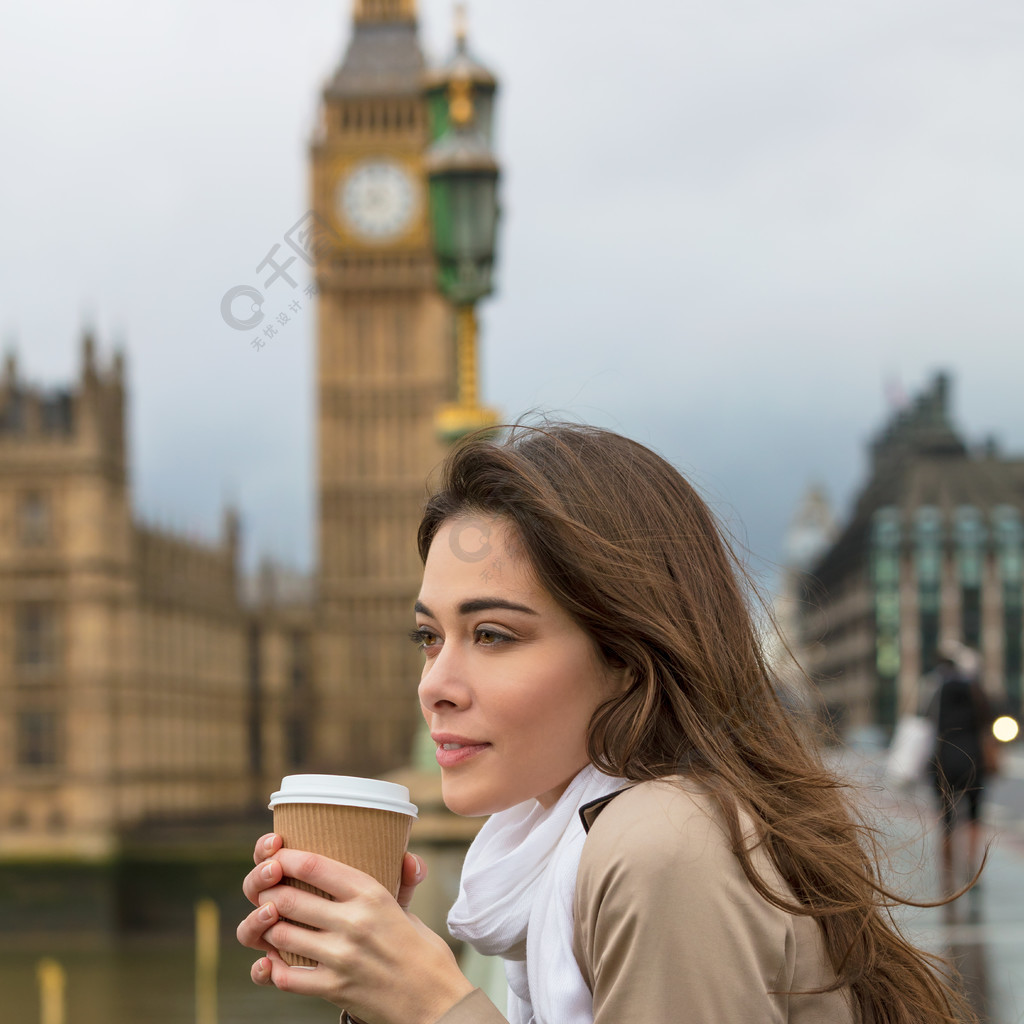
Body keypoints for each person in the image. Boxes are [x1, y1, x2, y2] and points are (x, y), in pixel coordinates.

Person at [237, 422, 975, 1024]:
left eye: (492, 635)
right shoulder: (582, 833)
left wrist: (436, 1006)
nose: (435, 684)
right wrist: (378, 986)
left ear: (628, 654)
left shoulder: (663, 845)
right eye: (429, 637)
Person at [927, 642, 996, 896]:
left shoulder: (936, 689)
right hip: (973, 759)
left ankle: (946, 874)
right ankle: (971, 869)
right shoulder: (975, 691)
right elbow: (991, 718)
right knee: (975, 816)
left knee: (946, 818)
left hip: (944, 758)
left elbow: (925, 720)